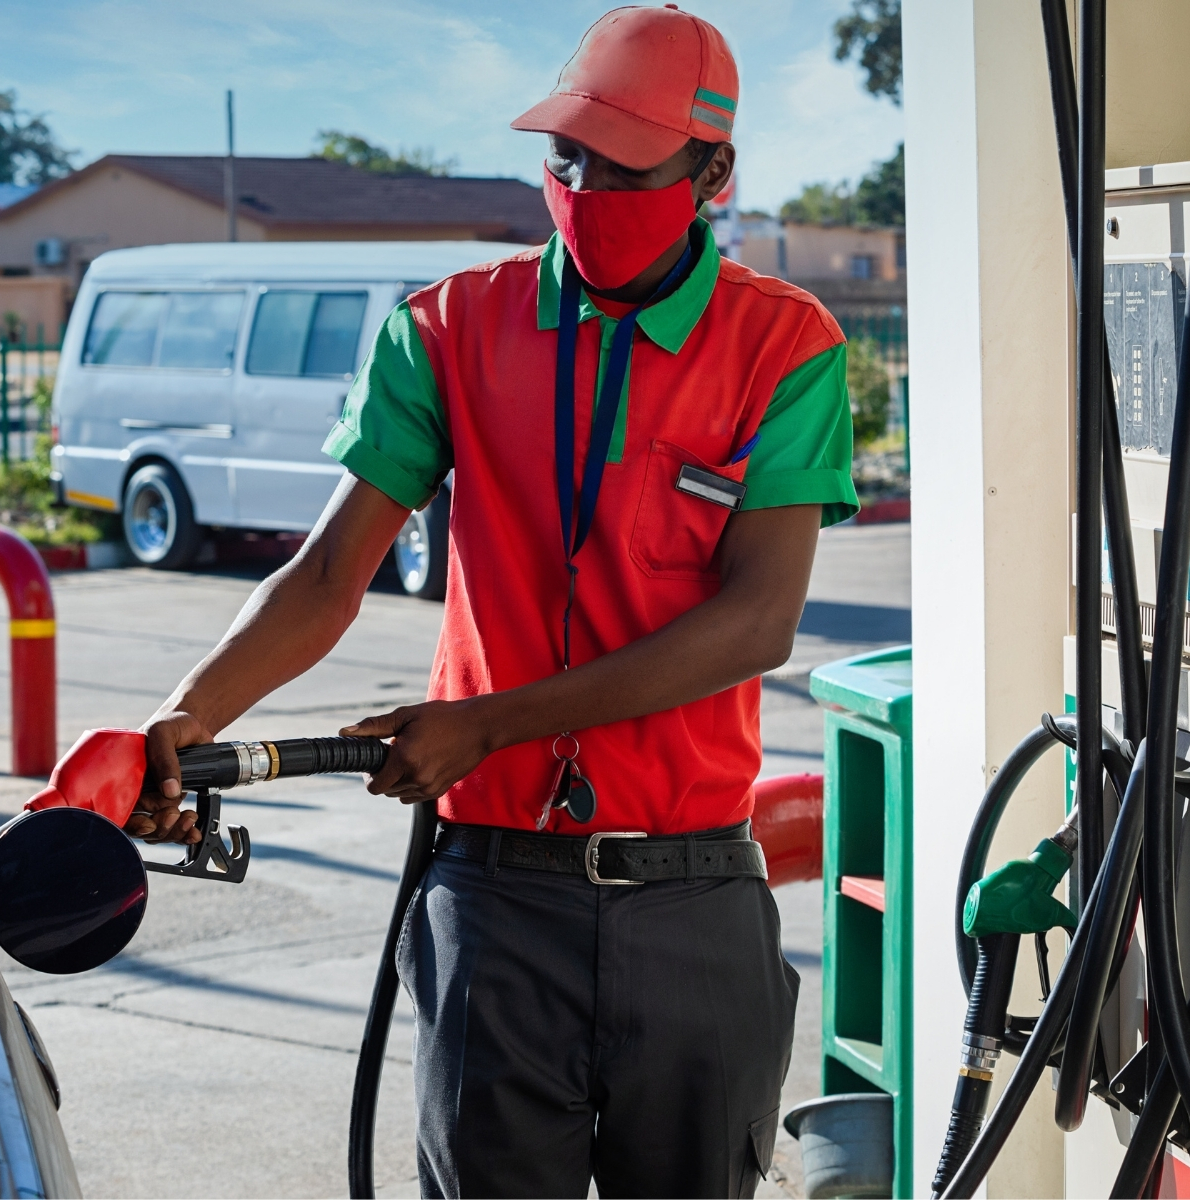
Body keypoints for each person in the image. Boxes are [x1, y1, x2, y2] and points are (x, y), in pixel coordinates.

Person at [131, 6, 858, 1196]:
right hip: (493, 892)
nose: (580, 189)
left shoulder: (784, 346)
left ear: (712, 173)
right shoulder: (449, 327)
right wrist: (188, 714)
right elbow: (327, 576)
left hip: (691, 896)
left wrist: (486, 723)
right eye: (564, 159)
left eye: (623, 169)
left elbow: (755, 621)